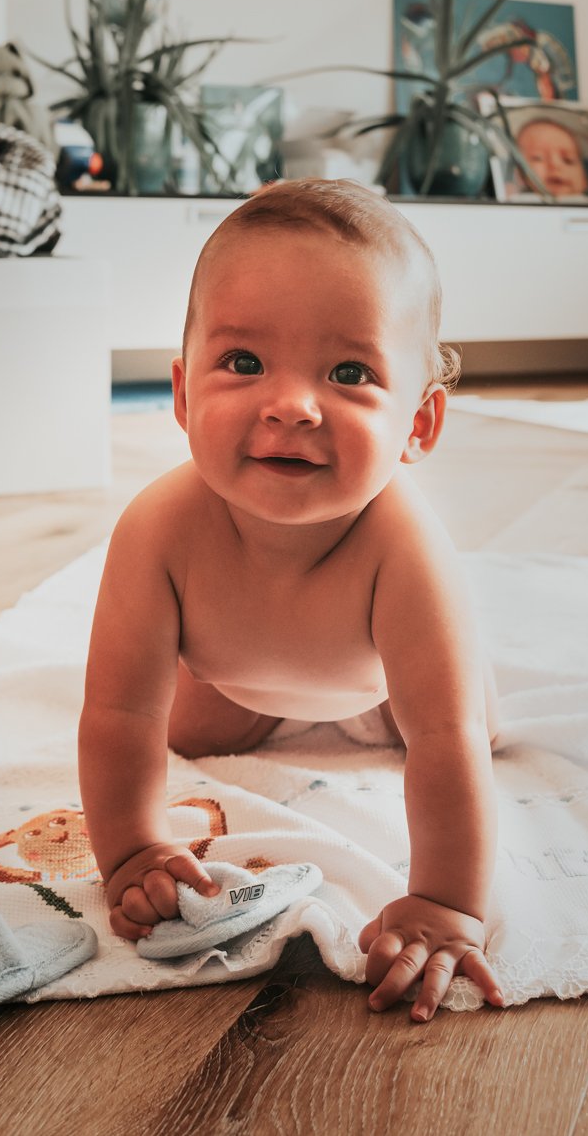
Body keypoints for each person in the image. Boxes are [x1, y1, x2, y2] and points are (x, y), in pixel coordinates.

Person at [78, 178, 502, 1023]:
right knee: (177, 729)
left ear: (418, 425)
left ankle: (462, 685)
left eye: (349, 372)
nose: (292, 405)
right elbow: (117, 710)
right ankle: (257, 714)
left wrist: (448, 903)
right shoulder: (158, 529)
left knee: (471, 727)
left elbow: (444, 742)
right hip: (236, 682)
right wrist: (130, 850)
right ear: (183, 393)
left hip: (377, 687)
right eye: (243, 362)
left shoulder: (404, 548)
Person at [514, 116, 588, 198]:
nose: (555, 165)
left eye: (568, 160)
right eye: (538, 157)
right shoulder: (518, 202)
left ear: (585, 180)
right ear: (518, 175)